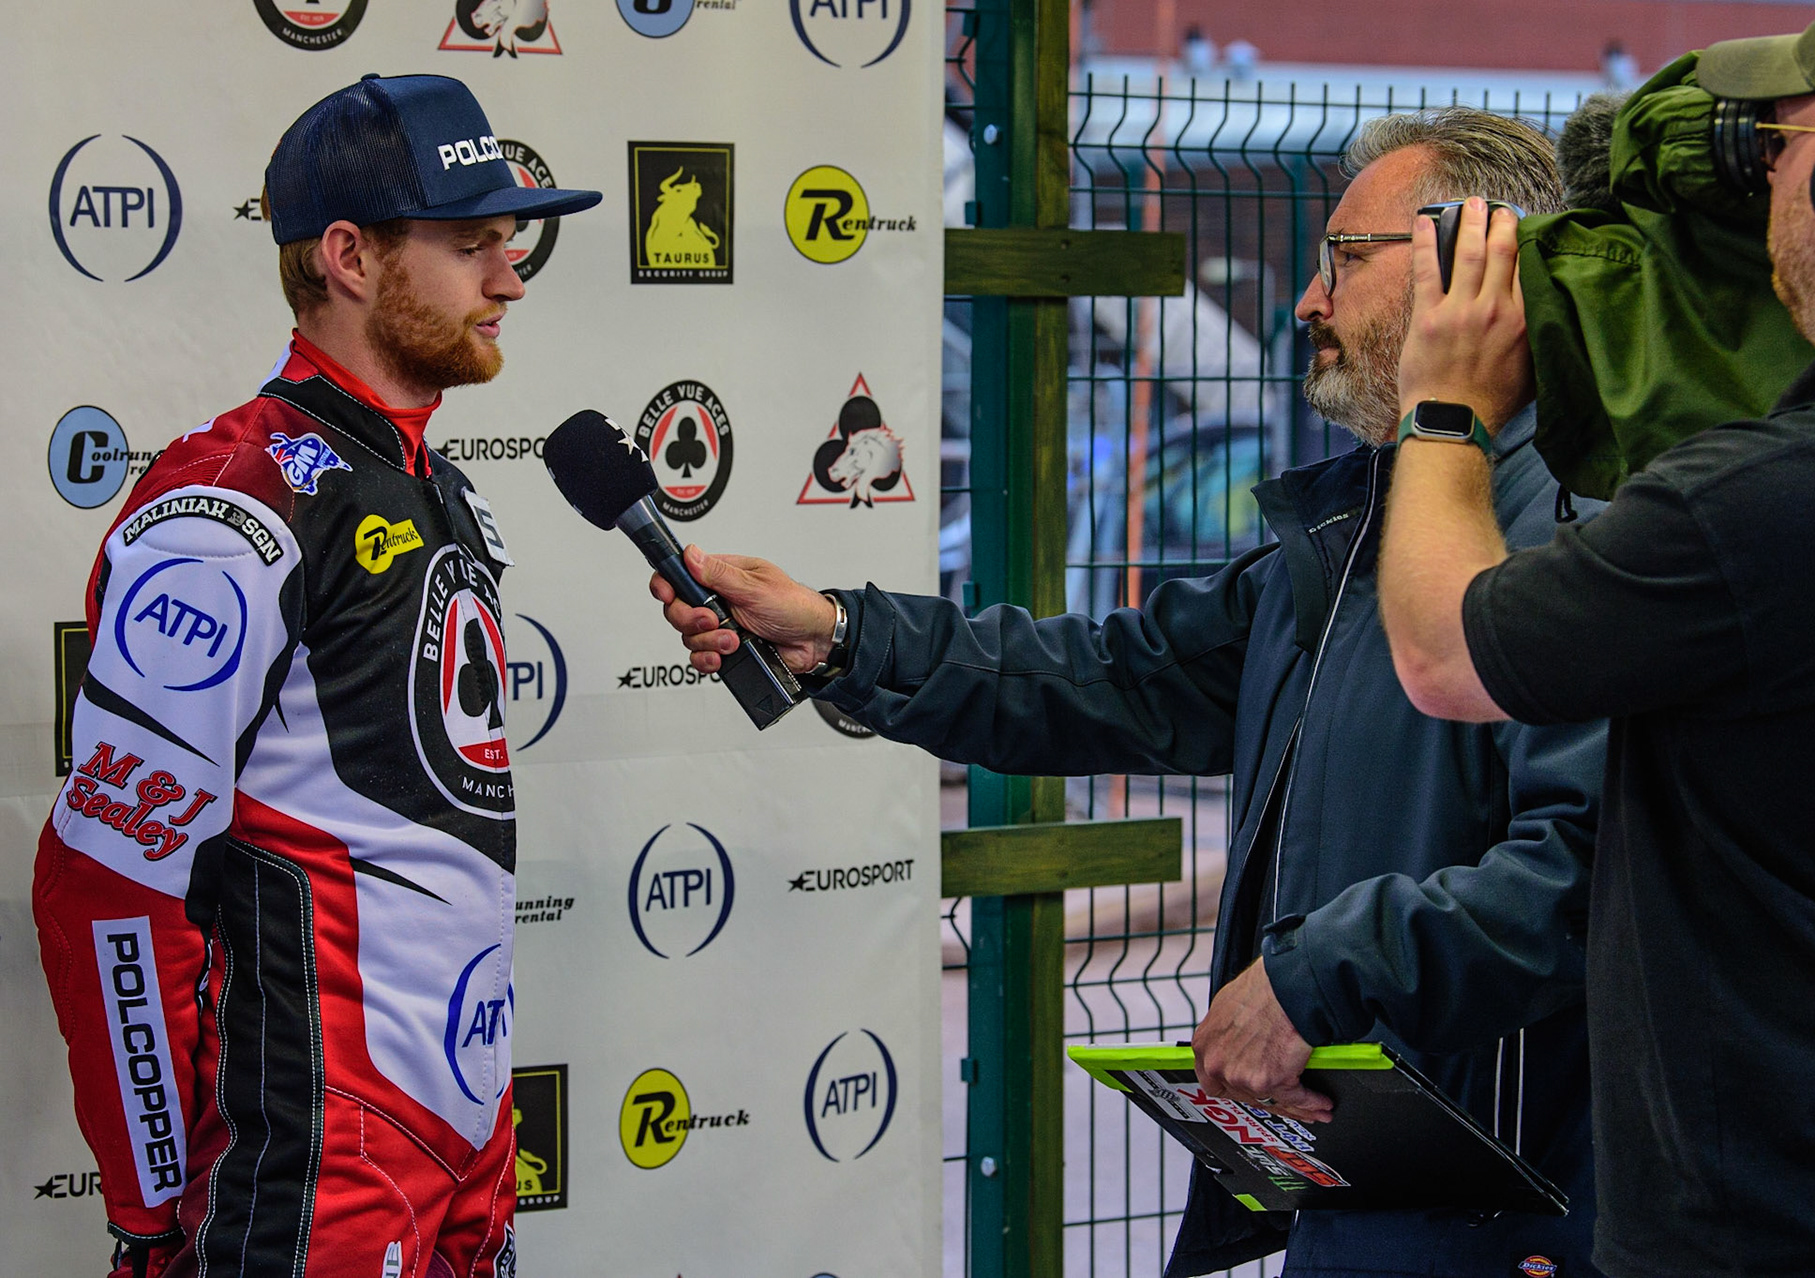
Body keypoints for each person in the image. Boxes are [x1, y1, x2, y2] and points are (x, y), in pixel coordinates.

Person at [659, 109, 1609, 1278]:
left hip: (1532, 1226)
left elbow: (1587, 868)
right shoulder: (1361, 524)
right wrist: (845, 636)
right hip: (1367, 1196)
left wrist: (1313, 978)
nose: (1307, 302)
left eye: (1344, 261)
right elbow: (1112, 674)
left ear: (1480, 270)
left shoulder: (1585, 531)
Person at [1376, 3, 1815, 1275]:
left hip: (1787, 1236)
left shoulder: (1774, 506)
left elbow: (1445, 656)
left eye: (1780, 148)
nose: (1761, 180)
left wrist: (1445, 404)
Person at [33, 73, 598, 1278]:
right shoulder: (232, 501)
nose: (510, 276)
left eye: (510, 241)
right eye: (469, 243)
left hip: (462, 1140)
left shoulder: (433, 483)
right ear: (347, 255)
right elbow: (107, 887)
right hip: (312, 1174)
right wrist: (148, 1207)